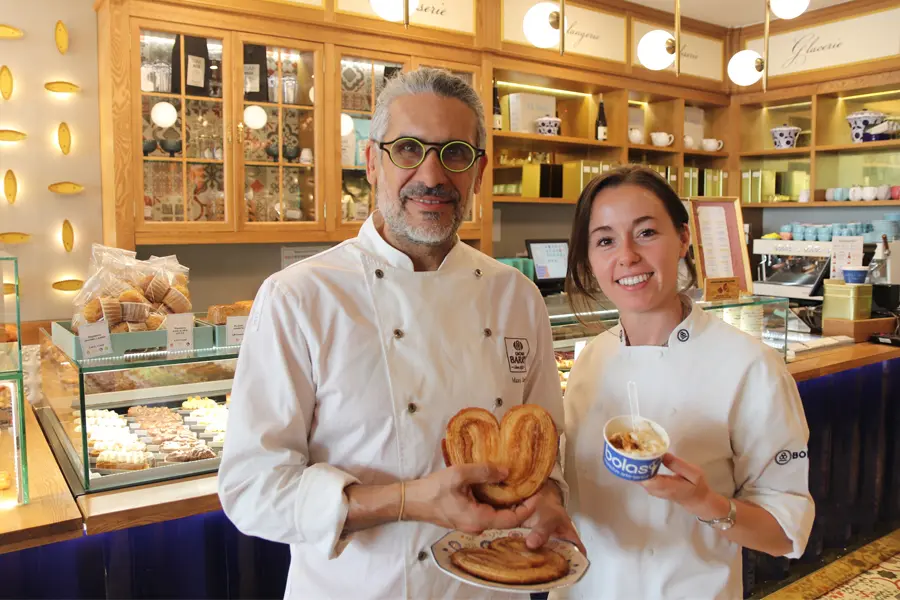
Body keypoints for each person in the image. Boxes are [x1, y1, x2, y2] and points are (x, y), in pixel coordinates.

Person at [218, 67, 579, 600]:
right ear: (372, 161)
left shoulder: (515, 296)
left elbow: (549, 445)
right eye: (408, 149)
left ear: (478, 172)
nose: (432, 175)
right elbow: (252, 489)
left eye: (454, 153)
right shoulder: (301, 297)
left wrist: (548, 496)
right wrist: (408, 500)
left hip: (493, 588)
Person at [560, 166, 814, 599]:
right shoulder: (589, 361)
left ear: (683, 238)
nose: (626, 256)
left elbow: (783, 533)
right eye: (605, 240)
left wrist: (706, 503)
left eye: (645, 233)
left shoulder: (750, 366)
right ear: (589, 260)